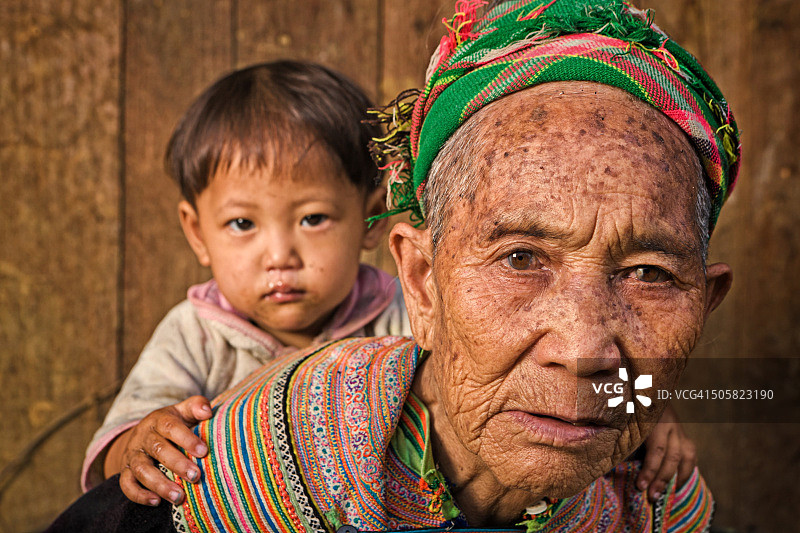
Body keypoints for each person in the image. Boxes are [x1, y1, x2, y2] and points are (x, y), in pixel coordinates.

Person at [51, 0, 740, 531]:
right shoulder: (269, 443)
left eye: (649, 273)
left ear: (704, 308)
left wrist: (646, 407)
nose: (585, 348)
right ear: (420, 281)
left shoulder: (660, 493)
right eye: (521, 258)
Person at [81, 60, 409, 505]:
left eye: (313, 218)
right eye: (241, 223)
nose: (279, 256)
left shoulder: (402, 315)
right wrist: (145, 444)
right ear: (197, 233)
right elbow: (114, 456)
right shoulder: (194, 333)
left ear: (371, 217)